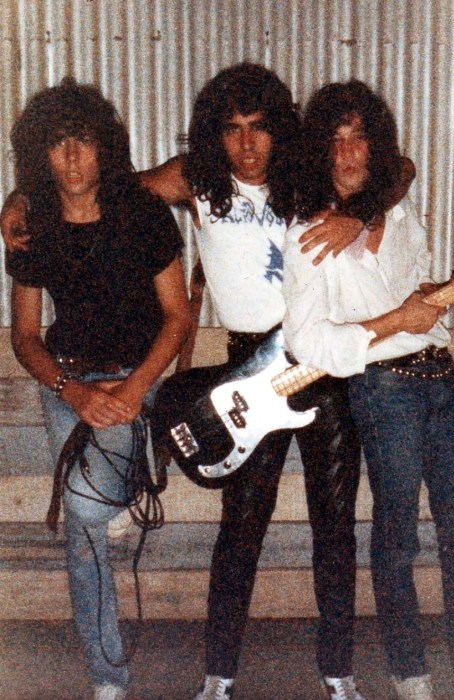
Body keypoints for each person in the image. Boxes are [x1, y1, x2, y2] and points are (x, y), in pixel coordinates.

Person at [2, 64, 414, 700]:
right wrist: (21, 198)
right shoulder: (195, 180)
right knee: (241, 529)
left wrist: (358, 214)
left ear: (279, 130)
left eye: (259, 128)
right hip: (249, 368)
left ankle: (340, 673)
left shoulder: (307, 173)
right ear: (212, 135)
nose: (247, 144)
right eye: (231, 129)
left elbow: (398, 169)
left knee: (335, 527)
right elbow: (100, 185)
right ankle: (218, 677)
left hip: (322, 358)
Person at [282, 80, 454, 700]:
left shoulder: (403, 215)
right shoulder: (309, 235)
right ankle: (410, 673)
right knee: (397, 538)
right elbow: (308, 343)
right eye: (334, 141)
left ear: (376, 144)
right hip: (381, 389)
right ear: (319, 151)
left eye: (358, 138)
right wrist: (394, 321)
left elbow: (421, 300)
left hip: (441, 379)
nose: (347, 153)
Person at [6, 78, 190, 700]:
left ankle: (114, 483)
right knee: (86, 521)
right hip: (68, 382)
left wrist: (135, 390)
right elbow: (25, 336)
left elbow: (178, 318)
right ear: (41, 153)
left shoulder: (140, 213)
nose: (72, 157)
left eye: (83, 140)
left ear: (104, 145)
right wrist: (71, 392)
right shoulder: (32, 225)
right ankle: (107, 677)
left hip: (137, 378)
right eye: (57, 143)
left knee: (84, 508)